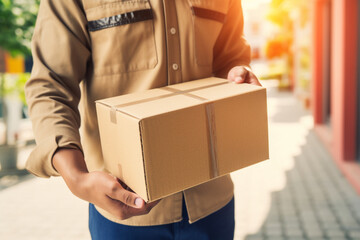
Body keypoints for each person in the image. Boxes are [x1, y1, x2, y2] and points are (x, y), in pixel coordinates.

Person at [25, 0, 261, 239]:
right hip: (122, 208)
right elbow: (50, 85)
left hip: (212, 202)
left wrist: (238, 73)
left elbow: (231, 58)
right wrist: (76, 178)